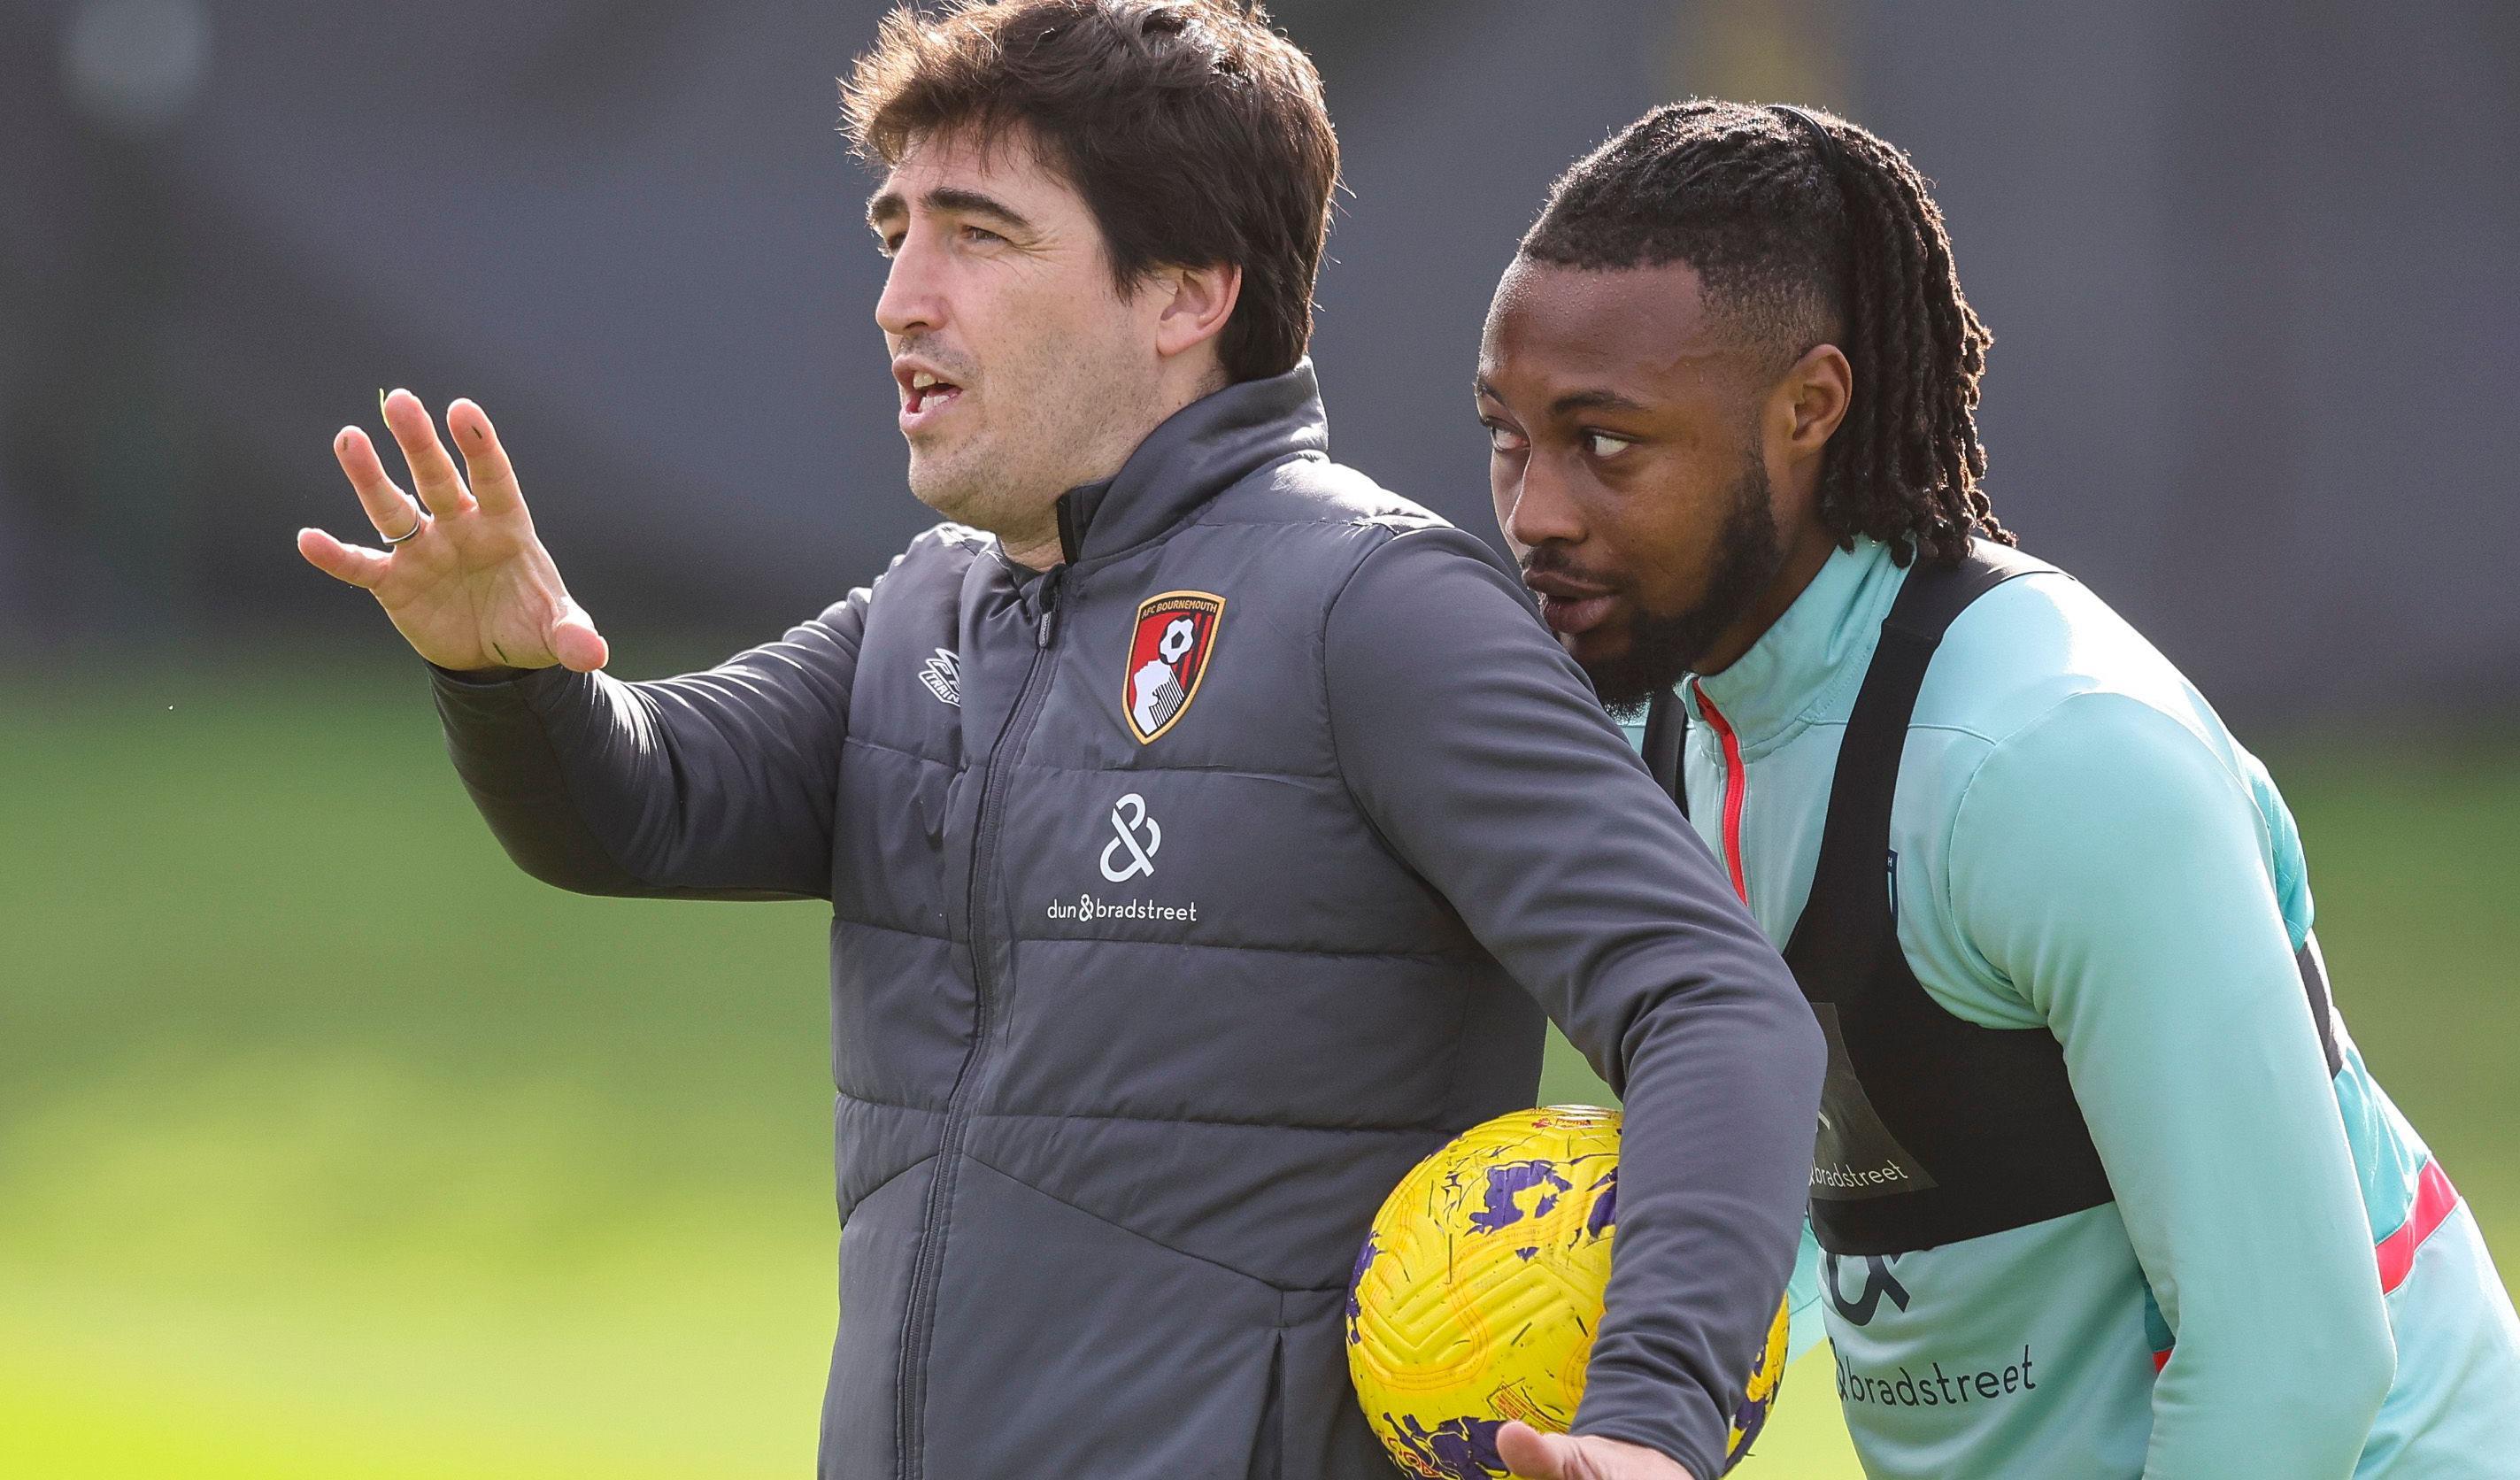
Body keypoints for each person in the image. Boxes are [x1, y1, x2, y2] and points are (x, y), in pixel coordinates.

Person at [294, 7, 1827, 1479]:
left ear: (1185, 292)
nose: (903, 295)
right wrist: (508, 676)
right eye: (894, 230)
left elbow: (1710, 1004)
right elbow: (636, 807)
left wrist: (1653, 1415)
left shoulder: (1380, 612)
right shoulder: (932, 613)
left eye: (979, 232)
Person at [1475, 101, 2520, 1478]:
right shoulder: (1670, 731)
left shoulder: (2048, 757)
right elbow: (1866, 1212)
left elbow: (2291, 1365)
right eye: (1507, 436)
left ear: (1807, 408)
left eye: (1605, 441)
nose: (1534, 512)